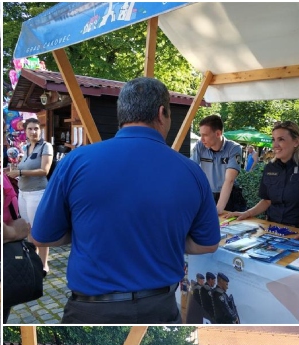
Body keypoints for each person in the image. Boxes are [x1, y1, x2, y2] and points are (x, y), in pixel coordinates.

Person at [31, 77, 220, 323]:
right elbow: (207, 244)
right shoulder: (191, 171)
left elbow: (43, 236)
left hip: (90, 310)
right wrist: (162, 238)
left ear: (122, 113)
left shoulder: (75, 162)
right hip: (159, 308)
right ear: (162, 113)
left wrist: (85, 230)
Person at [234, 120, 299, 246]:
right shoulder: (270, 167)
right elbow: (267, 201)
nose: (275, 145)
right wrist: (247, 213)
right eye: (273, 139)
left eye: (281, 139)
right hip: (274, 230)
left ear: (296, 142)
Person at [5, 117, 53, 271]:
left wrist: (19, 171)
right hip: (23, 193)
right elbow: (22, 169)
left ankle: (44, 264)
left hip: (37, 192)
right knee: (28, 229)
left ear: (40, 130)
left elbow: (44, 171)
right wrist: (11, 171)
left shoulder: (46, 147)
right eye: (30, 129)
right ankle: (34, 259)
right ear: (25, 131)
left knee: (40, 228)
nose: (33, 132)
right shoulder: (25, 148)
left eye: (36, 128)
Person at [192, 114, 247, 214]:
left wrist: (218, 209)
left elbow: (229, 180)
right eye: (201, 135)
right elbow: (191, 171)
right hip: (208, 194)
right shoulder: (200, 145)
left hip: (230, 196)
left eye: (205, 135)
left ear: (218, 133)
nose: (202, 139)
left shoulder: (234, 148)